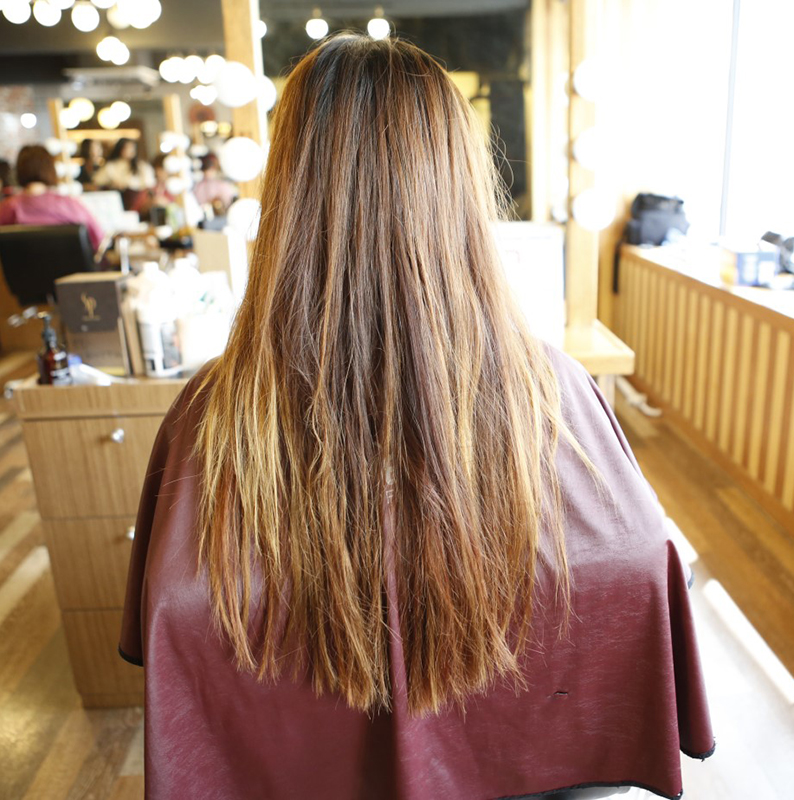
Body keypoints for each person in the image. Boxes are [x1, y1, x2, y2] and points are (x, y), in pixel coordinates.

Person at [120, 35, 714, 800]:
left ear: (288, 185)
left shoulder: (211, 405)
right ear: (457, 183)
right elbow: (637, 564)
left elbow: (178, 612)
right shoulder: (554, 381)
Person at [0, 144, 104, 252]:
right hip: (70, 262)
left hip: (20, 263)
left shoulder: (8, 207)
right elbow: (99, 239)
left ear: (19, 170)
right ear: (50, 168)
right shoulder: (69, 204)